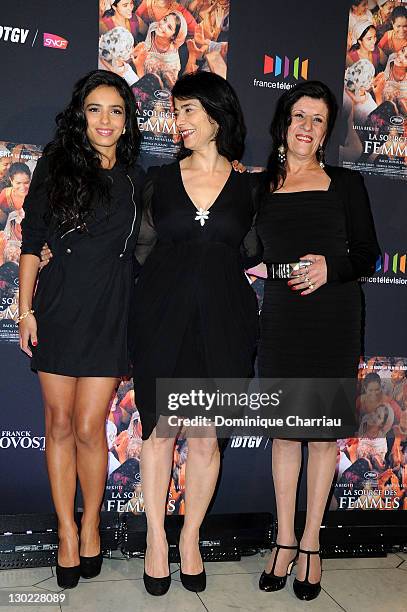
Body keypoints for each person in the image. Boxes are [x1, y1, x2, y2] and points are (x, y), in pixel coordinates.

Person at [131, 70, 259, 596]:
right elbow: (136, 250)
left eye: (187, 111)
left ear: (215, 116)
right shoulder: (156, 181)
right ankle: (156, 542)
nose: (176, 120)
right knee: (161, 432)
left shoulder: (252, 186)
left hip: (226, 323)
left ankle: (189, 539)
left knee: (206, 438)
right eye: (175, 110)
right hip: (161, 318)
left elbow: (255, 251)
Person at [252, 81, 380, 600]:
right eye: (299, 116)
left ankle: (311, 543)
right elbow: (241, 249)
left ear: (328, 131)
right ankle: (283, 539)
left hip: (333, 318)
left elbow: (370, 254)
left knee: (323, 435)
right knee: (284, 434)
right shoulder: (259, 187)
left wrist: (333, 267)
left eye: (319, 120)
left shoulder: (346, 183)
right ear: (284, 123)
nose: (307, 127)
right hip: (282, 320)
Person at [18, 70, 143, 589]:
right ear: (80, 115)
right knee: (59, 425)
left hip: (111, 311)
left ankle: (92, 525)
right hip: (60, 308)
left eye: (116, 110)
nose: (105, 120)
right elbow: (32, 239)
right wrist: (24, 309)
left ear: (126, 120)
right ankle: (66, 532)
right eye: (95, 109)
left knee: (92, 428)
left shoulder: (139, 179)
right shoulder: (56, 164)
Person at [132, 11, 188, 89]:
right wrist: (134, 53)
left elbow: (164, 94)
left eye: (169, 27)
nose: (162, 25)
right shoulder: (153, 28)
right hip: (134, 74)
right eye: (165, 19)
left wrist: (139, 66)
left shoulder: (172, 65)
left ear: (173, 37)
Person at [0, 162, 31, 228]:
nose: (22, 187)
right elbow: (3, 221)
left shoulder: (37, 196)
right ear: (11, 180)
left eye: (26, 183)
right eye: (18, 183)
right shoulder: (6, 194)